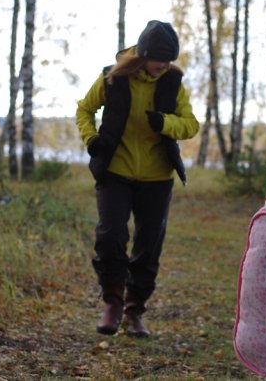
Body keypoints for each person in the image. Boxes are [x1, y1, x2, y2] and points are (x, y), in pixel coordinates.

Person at [76, 20, 199, 337]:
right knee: (111, 235)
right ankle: (113, 302)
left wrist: (165, 123)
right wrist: (91, 140)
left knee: (148, 247)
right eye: (161, 59)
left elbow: (190, 125)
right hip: (115, 172)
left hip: (157, 178)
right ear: (143, 54)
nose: (166, 65)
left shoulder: (172, 82)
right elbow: (84, 110)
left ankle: (134, 312)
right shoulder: (113, 79)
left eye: (170, 60)